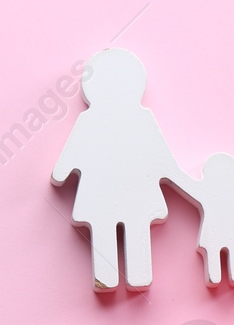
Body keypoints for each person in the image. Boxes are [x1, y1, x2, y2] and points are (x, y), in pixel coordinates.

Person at [53, 48, 194, 290]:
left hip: (101, 196)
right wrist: (187, 183)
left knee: (108, 232)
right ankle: (134, 276)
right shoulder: (139, 119)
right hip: (134, 196)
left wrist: (62, 173)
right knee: (132, 229)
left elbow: (63, 169)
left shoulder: (92, 120)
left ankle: (109, 278)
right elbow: (164, 163)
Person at [188, 153, 234, 286]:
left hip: (221, 235)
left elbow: (187, 185)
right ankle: (228, 277)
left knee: (221, 256)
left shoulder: (208, 190)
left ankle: (225, 277)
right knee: (225, 255)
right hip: (228, 235)